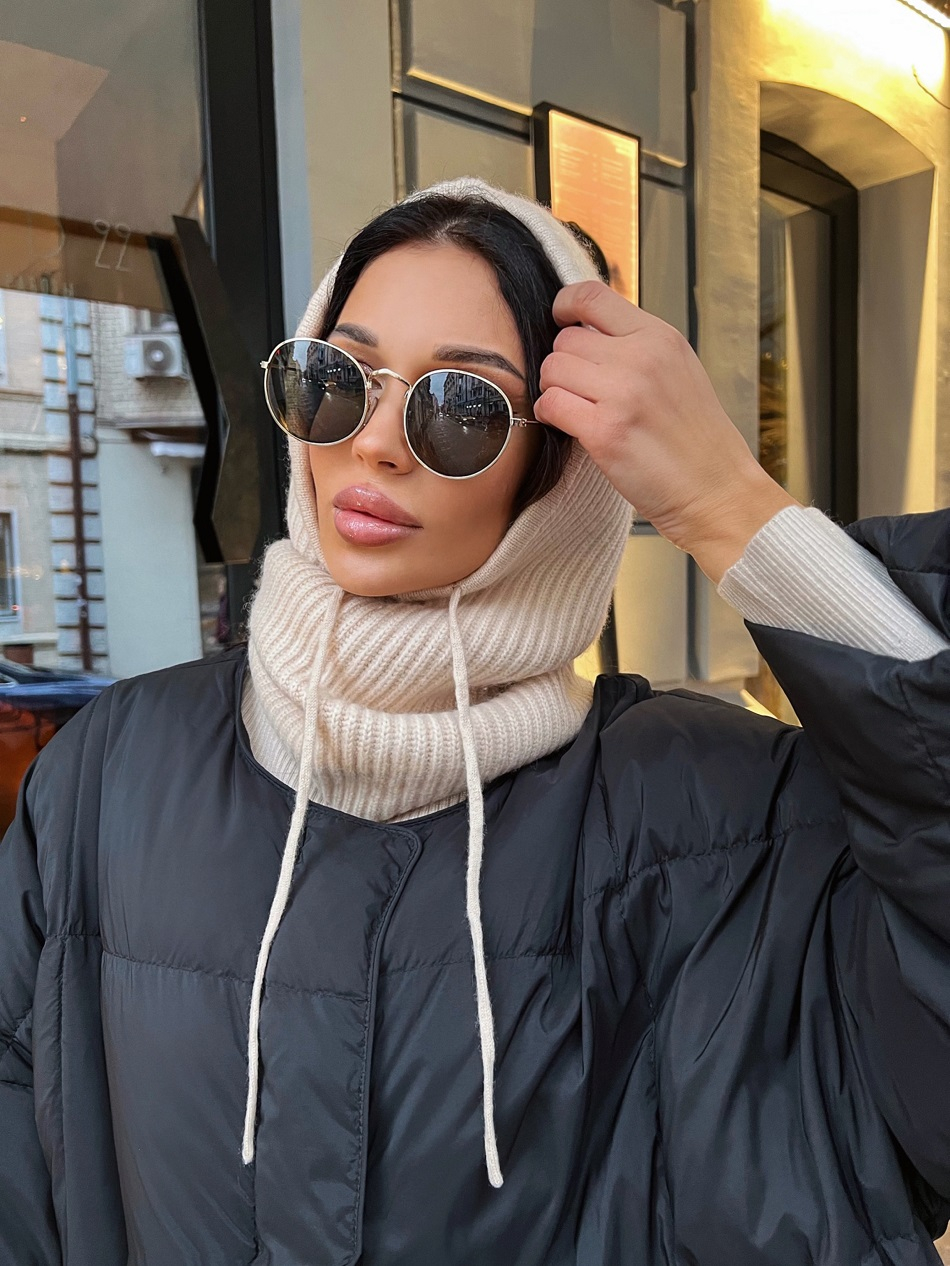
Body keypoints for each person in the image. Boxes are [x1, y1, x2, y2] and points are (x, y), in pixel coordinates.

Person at [1, 176, 948, 1265]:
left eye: (459, 406)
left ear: (555, 469)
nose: (375, 445)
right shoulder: (117, 769)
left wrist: (728, 503)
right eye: (335, 381)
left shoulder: (716, 817)